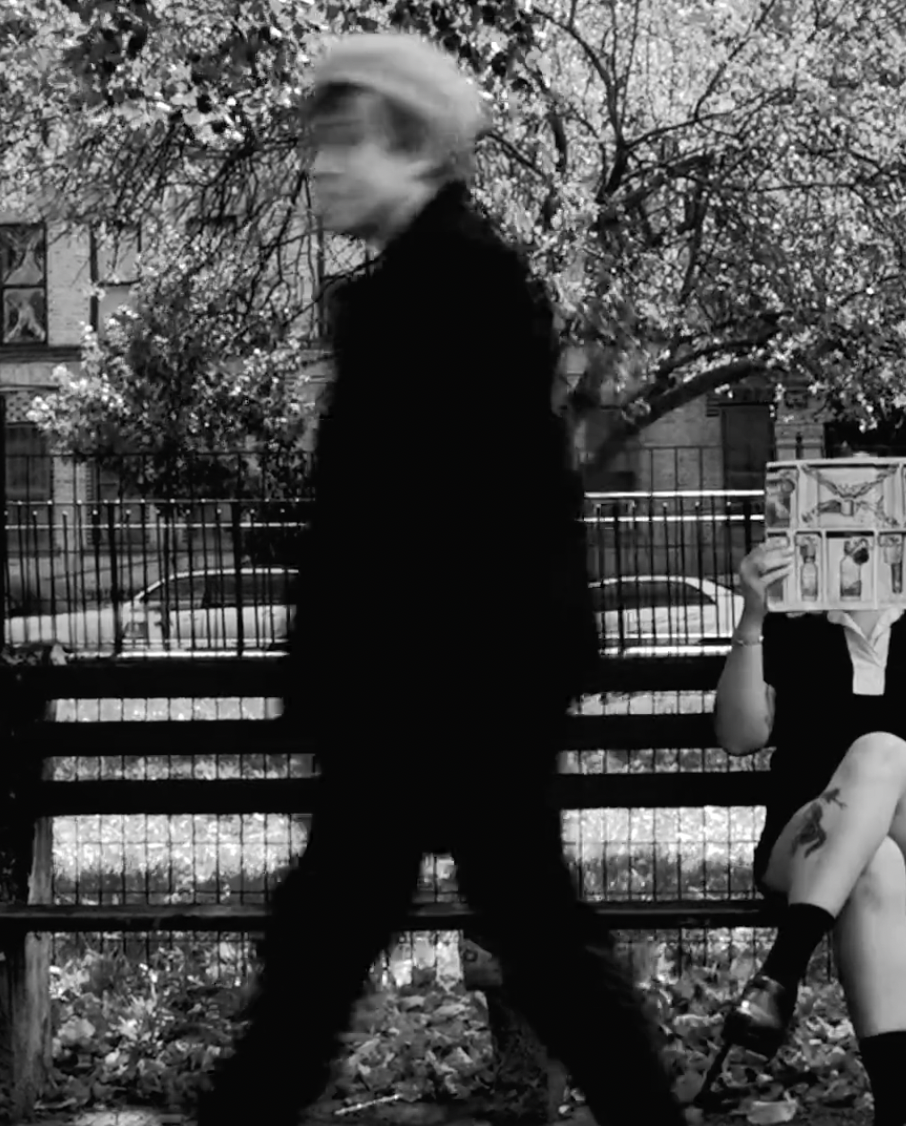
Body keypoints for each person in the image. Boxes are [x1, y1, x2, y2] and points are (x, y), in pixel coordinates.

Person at [195, 33, 683, 1126]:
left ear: (408, 146)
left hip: (442, 693)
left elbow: (446, 520)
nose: (314, 168)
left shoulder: (453, 286)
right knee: (468, 942)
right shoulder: (433, 281)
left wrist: (348, 674)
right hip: (449, 692)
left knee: (343, 953)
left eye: (336, 142)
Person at [711, 508, 906, 1126]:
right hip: (804, 845)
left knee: (877, 750)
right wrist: (753, 614)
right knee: (872, 860)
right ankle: (897, 1113)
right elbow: (740, 737)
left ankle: (784, 966)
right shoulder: (789, 627)